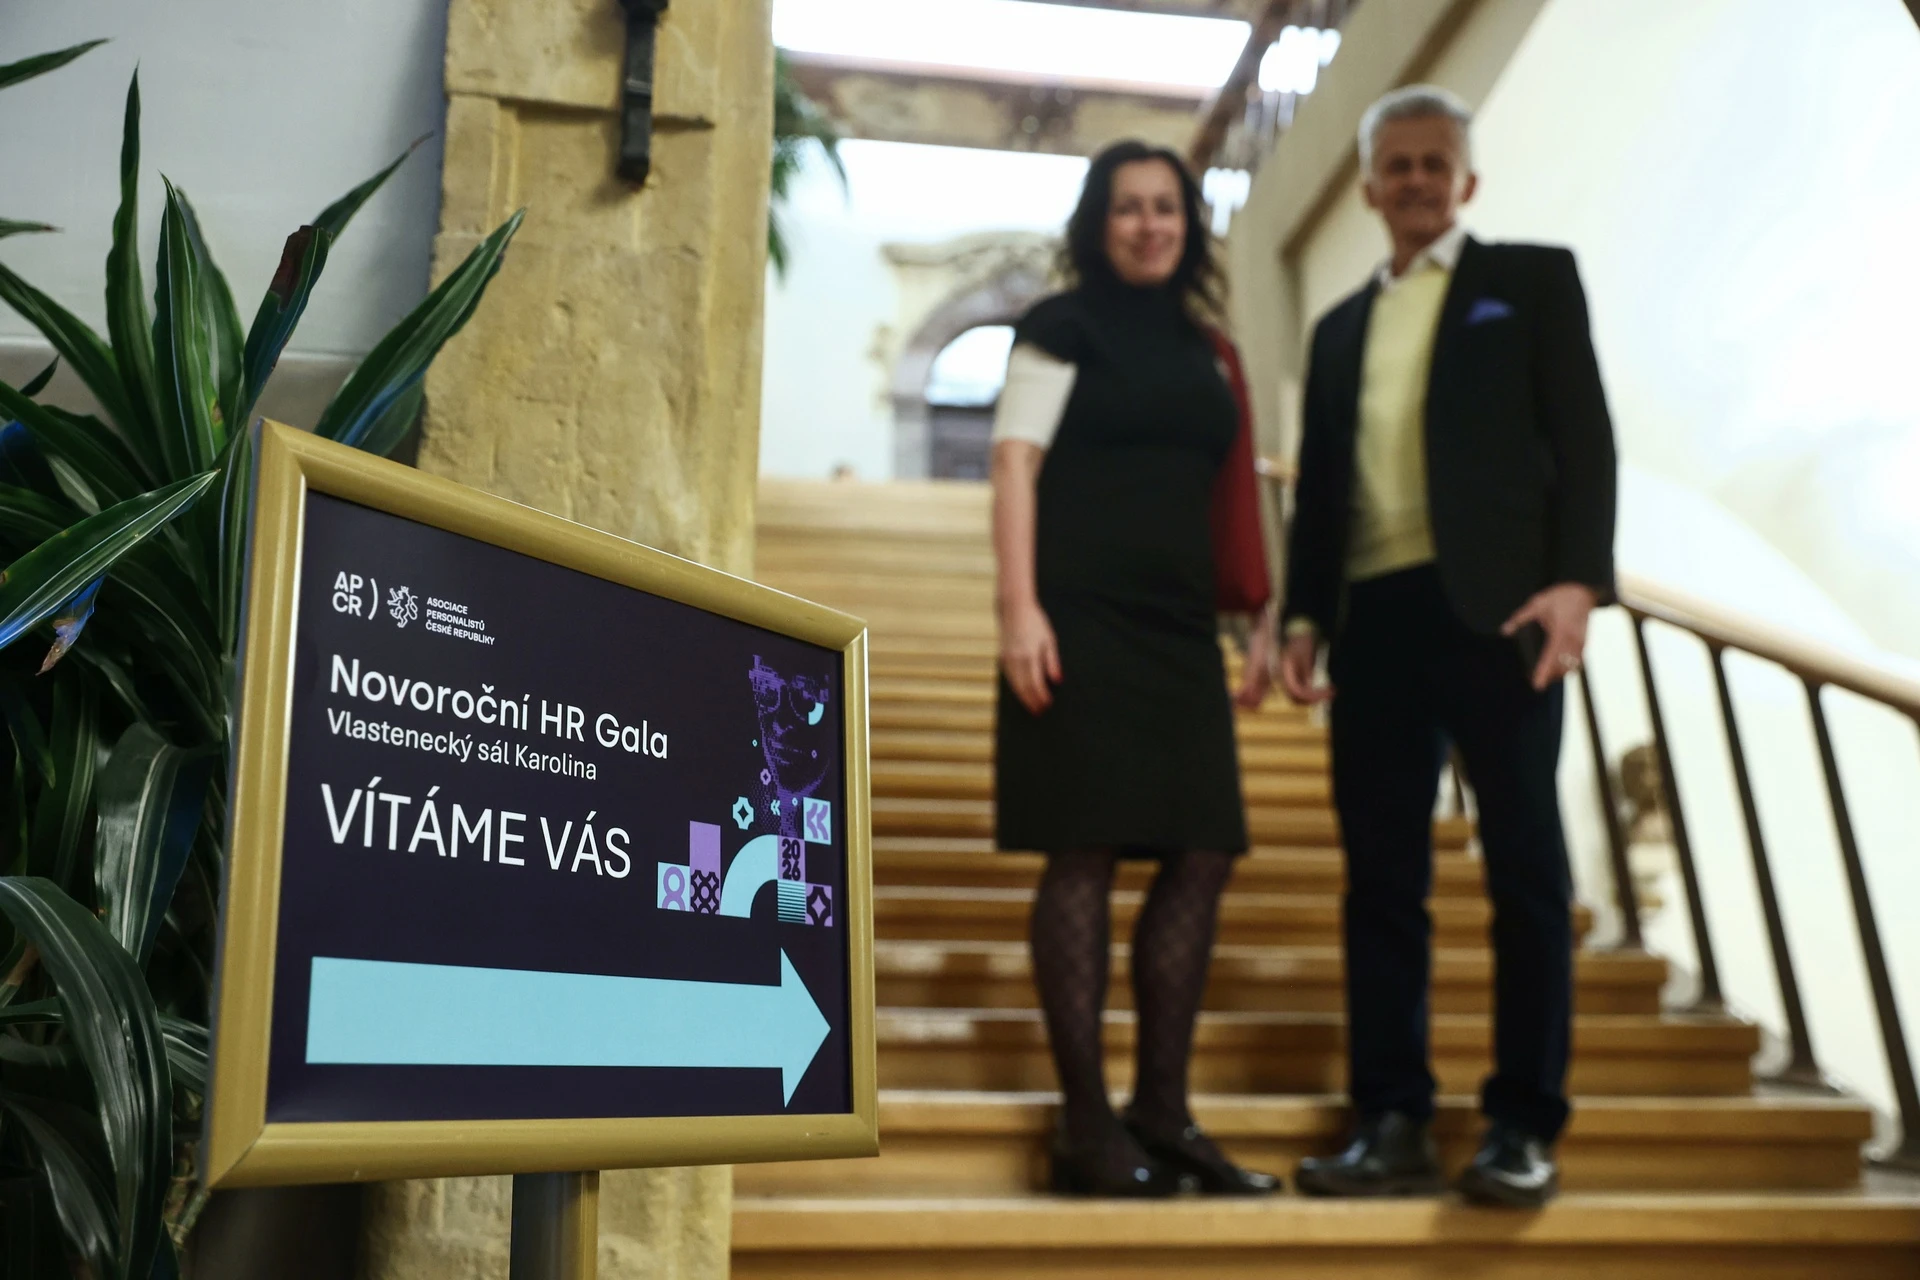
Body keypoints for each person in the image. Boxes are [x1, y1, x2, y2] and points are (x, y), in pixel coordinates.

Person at [1279, 86, 1617, 1208]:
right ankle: (1392, 1119)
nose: (1418, 180)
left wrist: (1577, 582)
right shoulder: (1337, 330)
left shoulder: (1530, 281)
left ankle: (1523, 1123)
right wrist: (1303, 615)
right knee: (1382, 880)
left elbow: (1585, 435)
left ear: (1466, 180)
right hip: (1373, 621)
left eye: (1436, 163)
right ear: (1370, 187)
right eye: (1399, 164)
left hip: (1501, 613)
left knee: (1525, 868)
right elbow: (1320, 492)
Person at [991, 140, 1280, 1198]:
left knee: (1202, 851)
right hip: (1079, 617)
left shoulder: (1208, 347)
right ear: (1097, 222)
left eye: (1167, 206)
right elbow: (1015, 461)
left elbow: (1231, 493)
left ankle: (1163, 1110)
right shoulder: (1060, 324)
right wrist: (1018, 607)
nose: (1150, 224)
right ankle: (1085, 1125)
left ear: (1189, 223)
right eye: (1128, 207)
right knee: (1085, 850)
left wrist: (1256, 614)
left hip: (1179, 629)